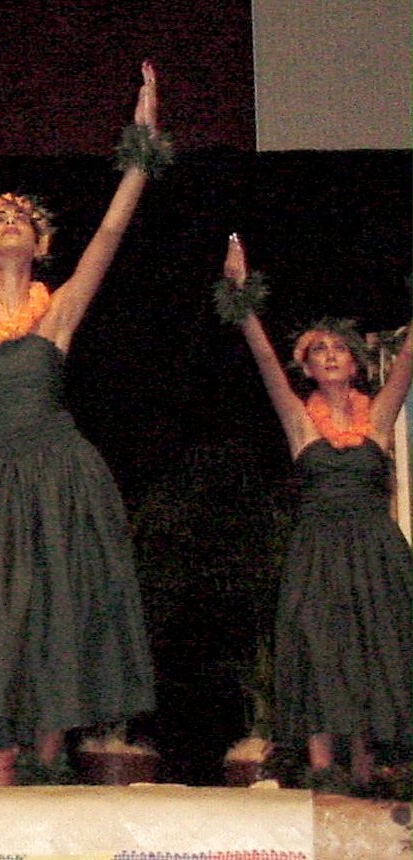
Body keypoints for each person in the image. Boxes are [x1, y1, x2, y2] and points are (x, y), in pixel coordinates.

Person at [0, 65, 162, 785]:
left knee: (58, 610)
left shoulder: (59, 313)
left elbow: (110, 228)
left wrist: (141, 142)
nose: (10, 220)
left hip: (66, 471)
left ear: (40, 247)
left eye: (23, 218)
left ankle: (46, 766)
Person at [219, 234, 413, 788]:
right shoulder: (300, 422)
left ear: (355, 364)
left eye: (339, 349)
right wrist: (240, 294)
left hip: (375, 550)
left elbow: (407, 359)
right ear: (306, 366)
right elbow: (261, 357)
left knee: (374, 648)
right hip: (319, 549)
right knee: (321, 648)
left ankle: (367, 767)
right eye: (318, 350)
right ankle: (324, 771)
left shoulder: (377, 417)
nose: (329, 356)